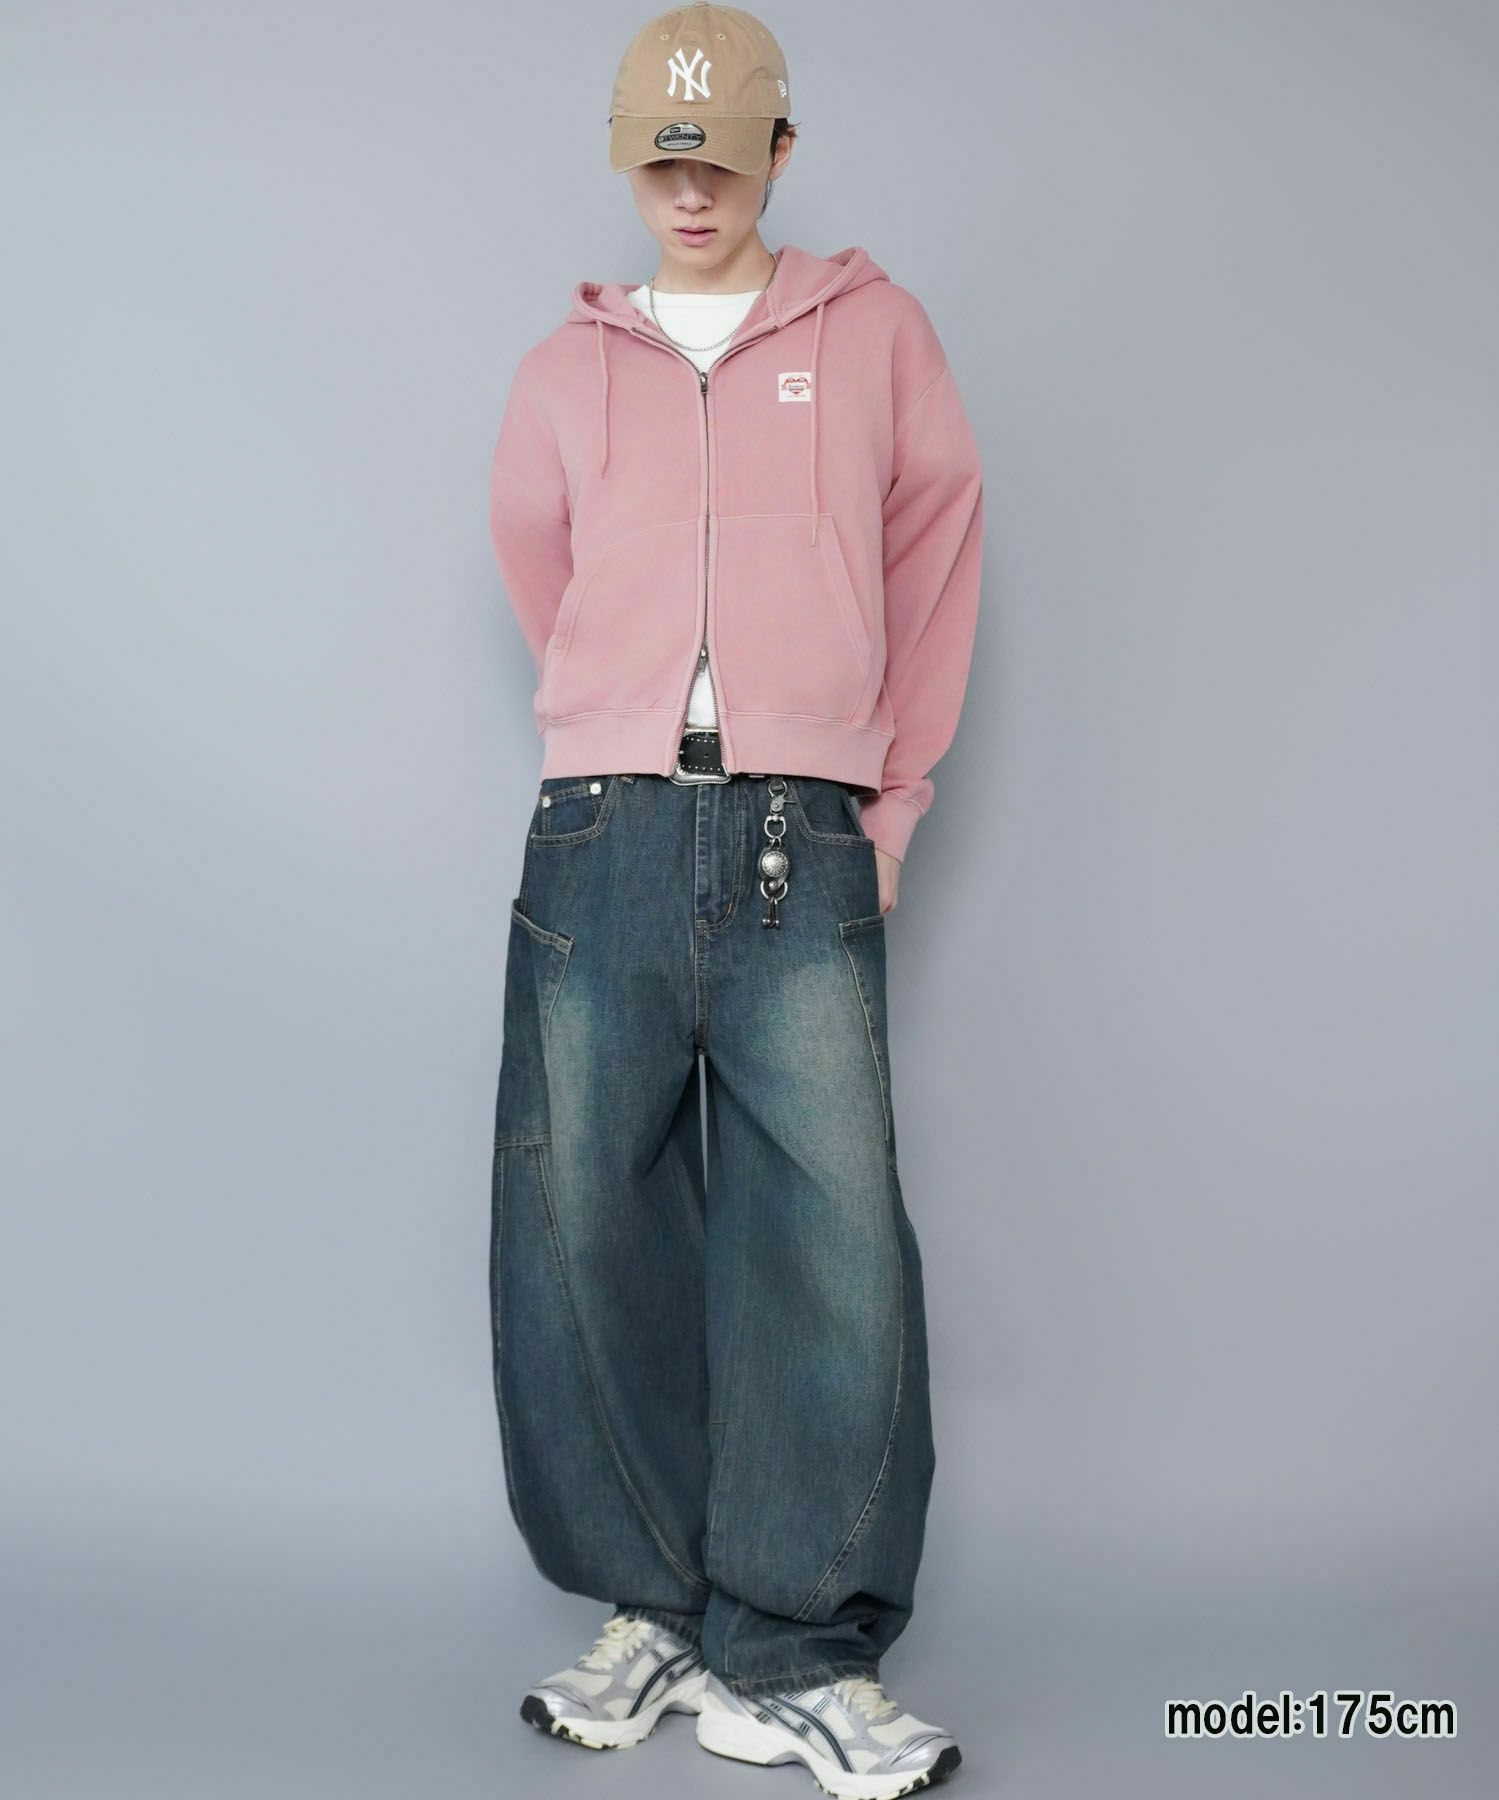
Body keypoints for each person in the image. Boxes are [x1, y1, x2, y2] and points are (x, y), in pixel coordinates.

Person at [485, 5, 983, 1792]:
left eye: (718, 156)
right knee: (583, 1232)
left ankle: (799, 1646)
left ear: (781, 150)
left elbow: (933, 558)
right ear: (628, 159)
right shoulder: (566, 370)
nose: (687, 190)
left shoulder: (875, 337)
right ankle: (656, 1612)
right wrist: (619, 727)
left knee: (828, 1242)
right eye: (658, 158)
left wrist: (886, 803)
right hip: (602, 832)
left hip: (800, 831)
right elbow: (544, 572)